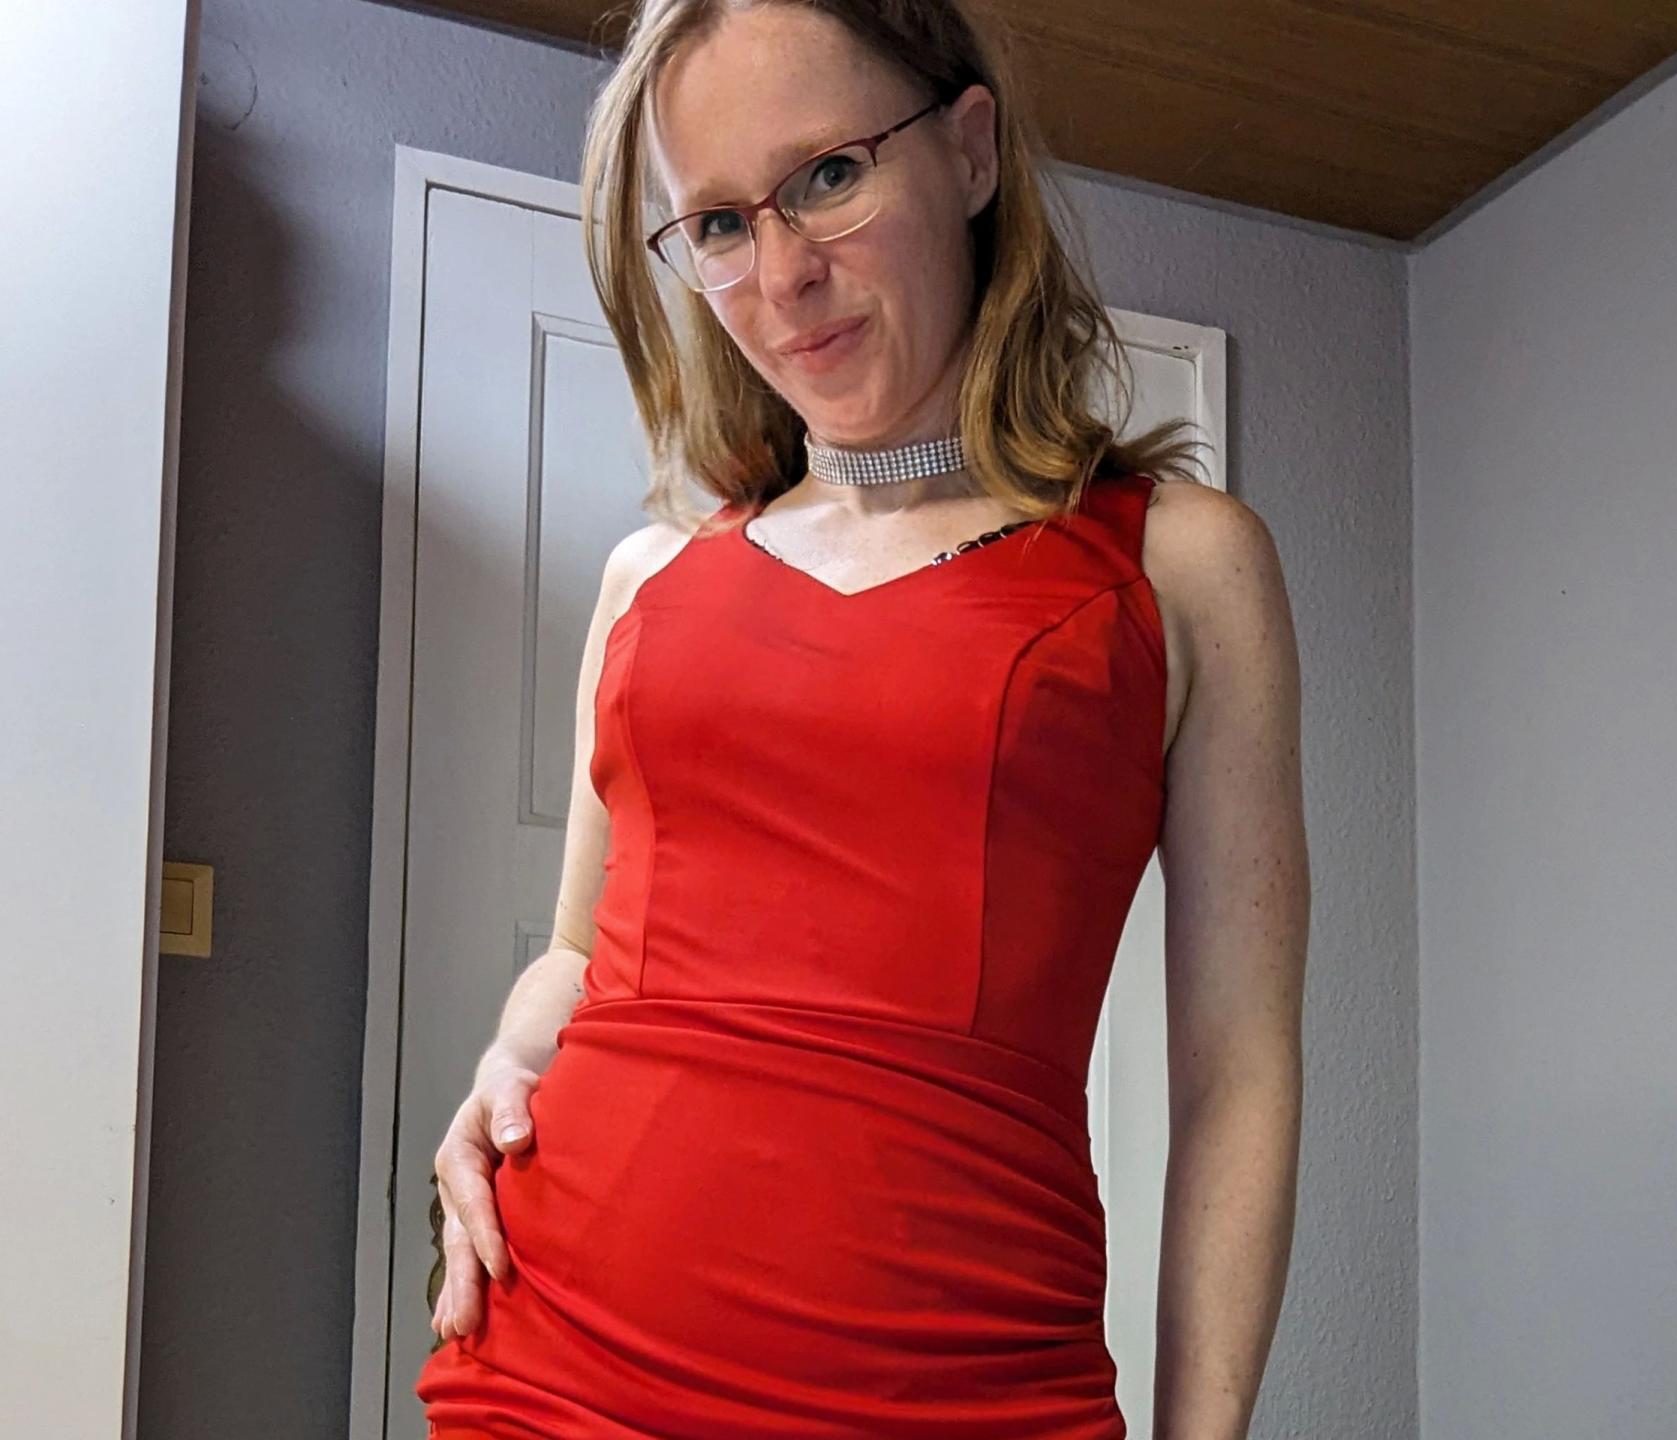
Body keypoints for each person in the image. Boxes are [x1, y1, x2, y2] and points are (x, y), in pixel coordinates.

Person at [416, 1, 1308, 1435]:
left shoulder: (1180, 567)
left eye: (828, 175)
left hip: (957, 1385)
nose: (781, 275)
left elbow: (1238, 1073)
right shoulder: (648, 577)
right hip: (558, 1363)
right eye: (717, 224)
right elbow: (579, 951)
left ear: (970, 152)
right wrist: (506, 1065)